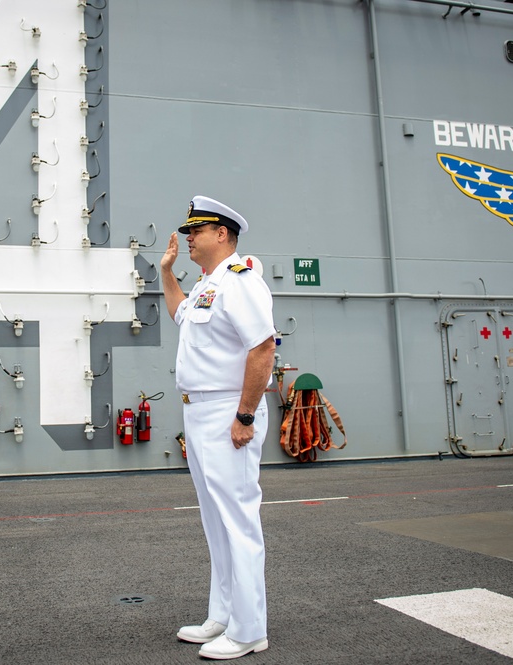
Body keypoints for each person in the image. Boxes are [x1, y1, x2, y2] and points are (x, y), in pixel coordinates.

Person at [159, 195, 276, 660]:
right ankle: (223, 615)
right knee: (216, 523)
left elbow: (262, 348)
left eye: (196, 231)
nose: (188, 237)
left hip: (229, 412)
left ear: (222, 234)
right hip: (200, 412)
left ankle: (249, 630)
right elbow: (180, 314)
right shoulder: (209, 285)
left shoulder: (241, 281)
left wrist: (245, 416)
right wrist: (166, 273)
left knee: (237, 521)